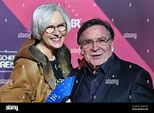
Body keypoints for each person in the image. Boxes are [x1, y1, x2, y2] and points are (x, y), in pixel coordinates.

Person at [0, 3, 73, 102]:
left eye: (61, 26)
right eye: (49, 27)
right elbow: (11, 100)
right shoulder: (29, 63)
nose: (57, 33)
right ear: (39, 29)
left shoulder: (63, 57)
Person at [70, 18, 154, 102]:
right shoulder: (73, 76)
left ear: (112, 44)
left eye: (101, 40)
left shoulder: (134, 76)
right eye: (88, 42)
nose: (95, 48)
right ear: (81, 48)